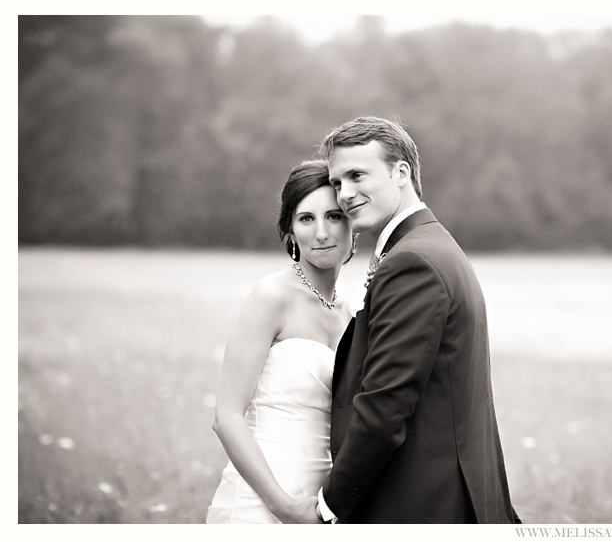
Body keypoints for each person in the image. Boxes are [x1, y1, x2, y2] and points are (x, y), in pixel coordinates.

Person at [313, 116, 519, 523]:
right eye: (337, 183)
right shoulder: (428, 244)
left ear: (401, 172)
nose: (345, 194)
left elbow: (385, 406)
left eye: (357, 175)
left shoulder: (413, 261)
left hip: (426, 505)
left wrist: (330, 505)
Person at [207, 160, 354, 523]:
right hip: (263, 500)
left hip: (323, 505)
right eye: (306, 219)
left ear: (354, 223)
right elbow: (226, 417)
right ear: (290, 229)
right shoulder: (272, 296)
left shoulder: (352, 313)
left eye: (334, 216)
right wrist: (282, 505)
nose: (321, 232)